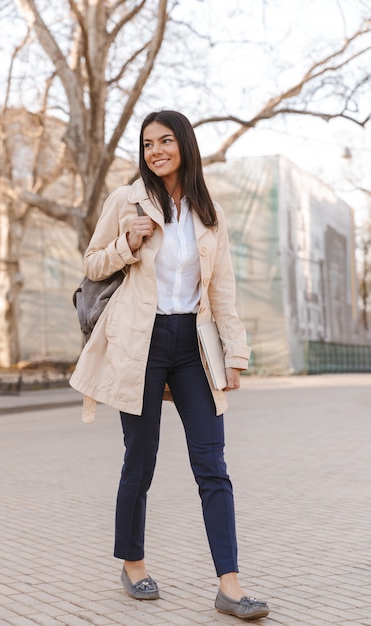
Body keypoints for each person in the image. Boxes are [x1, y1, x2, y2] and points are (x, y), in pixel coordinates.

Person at [69, 110, 269, 621]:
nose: (156, 150)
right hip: (142, 340)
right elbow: (92, 264)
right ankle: (132, 563)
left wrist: (234, 356)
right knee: (141, 459)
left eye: (165, 141)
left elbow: (221, 289)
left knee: (212, 464)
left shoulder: (210, 213)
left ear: (184, 144)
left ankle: (230, 585)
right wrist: (127, 242)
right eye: (148, 143)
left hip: (193, 346)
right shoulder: (126, 200)